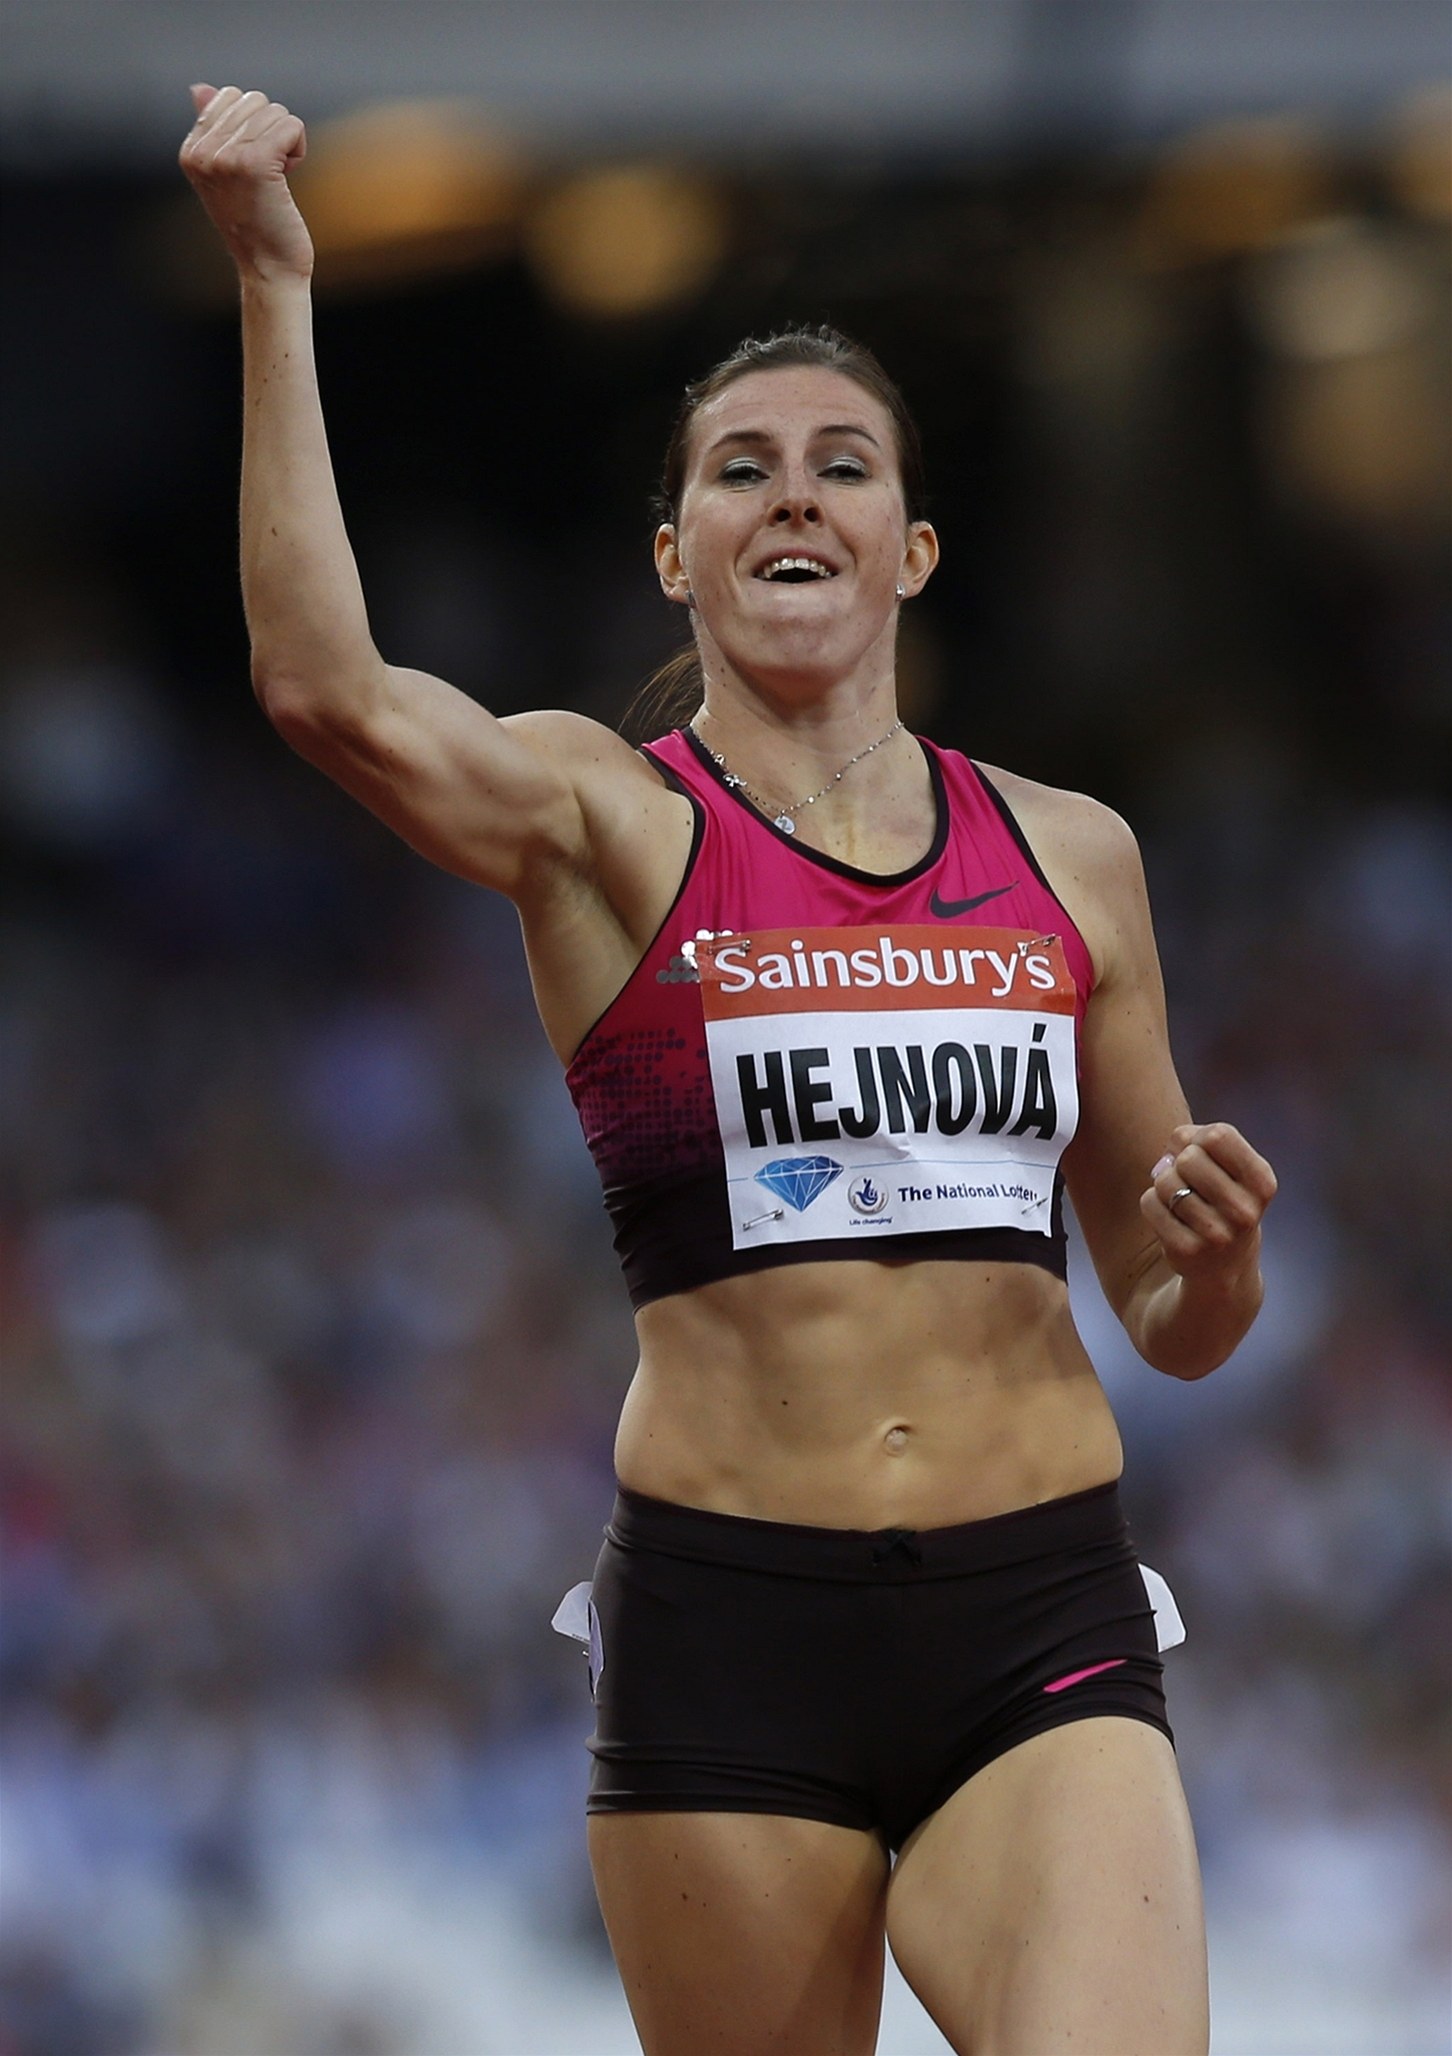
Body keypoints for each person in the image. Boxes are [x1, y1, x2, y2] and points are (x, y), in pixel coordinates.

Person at [181, 84, 1277, 2056]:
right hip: (729, 1630)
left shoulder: (1071, 855)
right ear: (674, 551)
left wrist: (1221, 1262)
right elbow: (324, 692)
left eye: (842, 466)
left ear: (911, 549)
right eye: (741, 470)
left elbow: (1172, 1316)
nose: (792, 497)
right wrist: (275, 280)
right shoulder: (605, 820)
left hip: (1035, 1607)